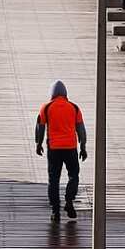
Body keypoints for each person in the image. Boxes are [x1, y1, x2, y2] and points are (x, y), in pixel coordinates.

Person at [36, 80, 88, 222]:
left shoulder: (46, 107)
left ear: (51, 94)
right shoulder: (74, 108)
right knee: (74, 175)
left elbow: (40, 128)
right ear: (65, 94)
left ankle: (55, 211)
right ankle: (69, 200)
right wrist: (83, 147)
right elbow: (81, 129)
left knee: (53, 180)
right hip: (70, 148)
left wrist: (38, 144)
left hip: (54, 149)